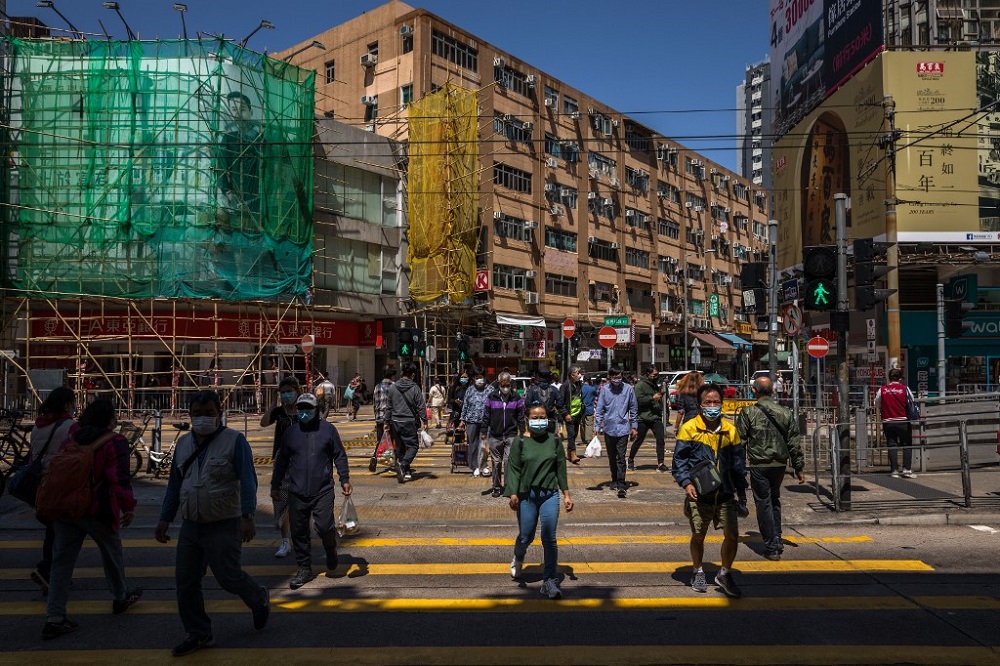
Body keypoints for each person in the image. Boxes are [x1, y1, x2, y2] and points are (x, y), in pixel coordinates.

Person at [154, 390, 269, 657]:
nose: (202, 419)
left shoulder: (234, 441)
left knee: (229, 578)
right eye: (197, 414)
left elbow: (248, 481)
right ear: (190, 415)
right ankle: (199, 633)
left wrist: (248, 516)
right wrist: (164, 518)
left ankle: (258, 597)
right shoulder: (183, 444)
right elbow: (174, 484)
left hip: (224, 523)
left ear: (219, 414)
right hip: (191, 525)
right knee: (186, 582)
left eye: (209, 413)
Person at [41, 398, 142, 640]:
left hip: (67, 509)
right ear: (109, 418)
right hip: (98, 510)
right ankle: (120, 597)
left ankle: (54, 617)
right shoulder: (115, 442)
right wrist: (128, 507)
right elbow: (119, 479)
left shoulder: (73, 436)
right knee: (112, 554)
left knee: (61, 564)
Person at [672, 384, 747, 599]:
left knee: (732, 535)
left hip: (725, 493)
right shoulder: (690, 428)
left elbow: (738, 464)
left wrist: (741, 492)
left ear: (722, 404)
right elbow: (679, 461)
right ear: (700, 405)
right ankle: (697, 571)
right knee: (698, 535)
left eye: (716, 402)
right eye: (708, 403)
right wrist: (687, 483)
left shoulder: (730, 430)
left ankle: (724, 573)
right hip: (699, 493)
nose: (712, 406)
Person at [271, 393, 352, 589]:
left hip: (323, 489)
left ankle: (330, 549)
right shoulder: (290, 433)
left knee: (324, 527)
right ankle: (304, 569)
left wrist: (344, 479)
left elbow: (339, 455)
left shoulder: (328, 430)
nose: (304, 412)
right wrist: (275, 485)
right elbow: (281, 461)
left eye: (308, 409)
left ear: (316, 410)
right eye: (301, 409)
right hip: (296, 490)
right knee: (299, 532)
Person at [504, 404, 573, 599]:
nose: (539, 419)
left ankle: (549, 580)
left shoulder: (554, 441)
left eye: (542, 416)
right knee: (526, 536)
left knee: (549, 538)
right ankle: (518, 556)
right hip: (527, 495)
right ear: (527, 419)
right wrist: (513, 494)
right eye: (535, 416)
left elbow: (560, 468)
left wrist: (566, 494)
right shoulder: (520, 442)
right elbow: (514, 469)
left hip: (549, 494)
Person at [735, 375, 806, 561]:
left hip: (759, 465)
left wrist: (738, 468)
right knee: (774, 500)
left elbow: (739, 444)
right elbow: (794, 443)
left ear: (754, 391)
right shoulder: (785, 412)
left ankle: (772, 545)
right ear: (774, 391)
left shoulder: (748, 412)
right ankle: (777, 537)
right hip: (779, 465)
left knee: (763, 503)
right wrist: (798, 468)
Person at [27, 386, 77, 595]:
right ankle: (49, 571)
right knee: (63, 534)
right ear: (67, 404)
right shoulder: (70, 427)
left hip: (41, 487)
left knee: (52, 530)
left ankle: (50, 574)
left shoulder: (37, 427)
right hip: (60, 486)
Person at [260, 376, 300, 558]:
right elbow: (264, 422)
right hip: (281, 461)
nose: (286, 395)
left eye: (289, 392)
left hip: (301, 461)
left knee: (300, 500)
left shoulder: (303, 410)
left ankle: (299, 538)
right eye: (283, 392)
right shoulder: (279, 412)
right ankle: (285, 541)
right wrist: (274, 404)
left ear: (297, 391)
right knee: (280, 500)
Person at [594, 367, 638, 499]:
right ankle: (614, 478)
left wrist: (634, 426)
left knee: (621, 456)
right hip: (609, 428)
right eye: (614, 377)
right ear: (609, 377)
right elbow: (600, 409)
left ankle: (621, 483)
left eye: (619, 377)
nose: (617, 379)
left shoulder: (628, 389)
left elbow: (634, 408)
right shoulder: (605, 390)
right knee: (612, 456)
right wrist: (597, 427)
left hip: (623, 428)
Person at [482, 372, 526, 498]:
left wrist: (522, 433)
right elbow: (486, 416)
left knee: (508, 461)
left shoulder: (516, 397)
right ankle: (496, 486)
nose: (505, 387)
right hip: (495, 436)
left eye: (507, 384)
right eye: (503, 384)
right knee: (496, 462)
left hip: (511, 434)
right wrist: (484, 432)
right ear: (499, 383)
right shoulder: (492, 397)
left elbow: (521, 417)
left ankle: (508, 486)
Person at [386, 363, 428, 484]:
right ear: (413, 375)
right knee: (413, 446)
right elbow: (421, 406)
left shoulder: (393, 387)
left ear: (402, 373)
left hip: (395, 422)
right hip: (409, 421)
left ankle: (405, 470)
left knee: (400, 448)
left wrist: (386, 421)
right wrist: (424, 420)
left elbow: (389, 406)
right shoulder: (415, 388)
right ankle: (403, 465)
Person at [874, 368, 917, 479]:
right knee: (907, 444)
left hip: (888, 421)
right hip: (903, 420)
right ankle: (907, 470)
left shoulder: (882, 389)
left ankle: (894, 470)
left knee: (892, 445)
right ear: (900, 378)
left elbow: (877, 403)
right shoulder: (905, 389)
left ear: (889, 377)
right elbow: (911, 401)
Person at [629, 364, 668, 473]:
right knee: (638, 440)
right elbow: (638, 400)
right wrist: (652, 398)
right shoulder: (640, 385)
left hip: (655, 417)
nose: (656, 376)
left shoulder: (655, 384)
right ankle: (630, 459)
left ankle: (661, 463)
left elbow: (657, 398)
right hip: (643, 417)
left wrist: (661, 396)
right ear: (648, 374)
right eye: (654, 374)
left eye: (657, 374)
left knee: (660, 439)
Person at [460, 367, 492, 477]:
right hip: (471, 421)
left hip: (486, 422)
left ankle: (483, 465)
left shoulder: (490, 390)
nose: (479, 379)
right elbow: (465, 405)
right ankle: (474, 466)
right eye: (477, 377)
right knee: (473, 445)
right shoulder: (470, 390)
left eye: (481, 377)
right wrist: (462, 420)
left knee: (484, 445)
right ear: (474, 378)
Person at [368, 366, 397, 472]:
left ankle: (374, 457)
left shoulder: (377, 387)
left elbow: (375, 404)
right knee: (393, 440)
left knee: (380, 441)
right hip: (392, 419)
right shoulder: (394, 386)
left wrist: (377, 418)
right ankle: (393, 462)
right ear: (392, 375)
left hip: (380, 418)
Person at [558, 366, 584, 464]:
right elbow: (560, 402)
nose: (579, 375)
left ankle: (569, 452)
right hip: (570, 414)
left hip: (578, 413)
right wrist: (565, 414)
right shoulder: (565, 386)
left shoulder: (578, 384)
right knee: (571, 434)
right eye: (577, 373)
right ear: (572, 375)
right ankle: (573, 454)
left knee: (575, 434)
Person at [579, 376, 598, 449]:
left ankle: (583, 438)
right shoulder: (592, 389)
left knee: (582, 423)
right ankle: (588, 439)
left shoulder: (581, 388)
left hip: (581, 409)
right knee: (589, 424)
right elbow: (596, 394)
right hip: (589, 408)